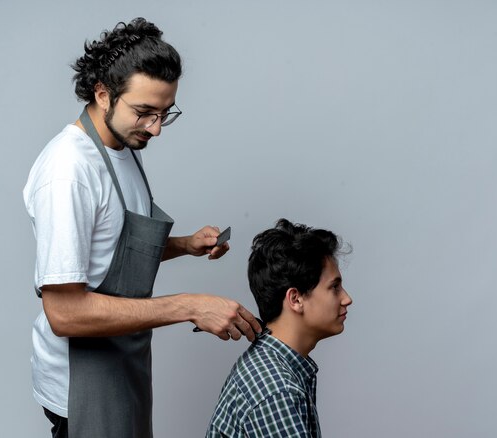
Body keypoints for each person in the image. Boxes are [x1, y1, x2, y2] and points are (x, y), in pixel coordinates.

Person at [23, 18, 261, 438]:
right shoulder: (69, 170)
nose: (154, 128)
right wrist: (189, 306)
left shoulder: (124, 148)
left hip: (125, 361)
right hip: (81, 384)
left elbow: (110, 247)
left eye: (164, 114)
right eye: (144, 112)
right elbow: (64, 312)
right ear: (102, 94)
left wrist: (185, 245)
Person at [206, 219, 353, 437]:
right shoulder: (276, 390)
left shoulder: (271, 366)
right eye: (334, 287)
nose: (347, 299)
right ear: (295, 299)